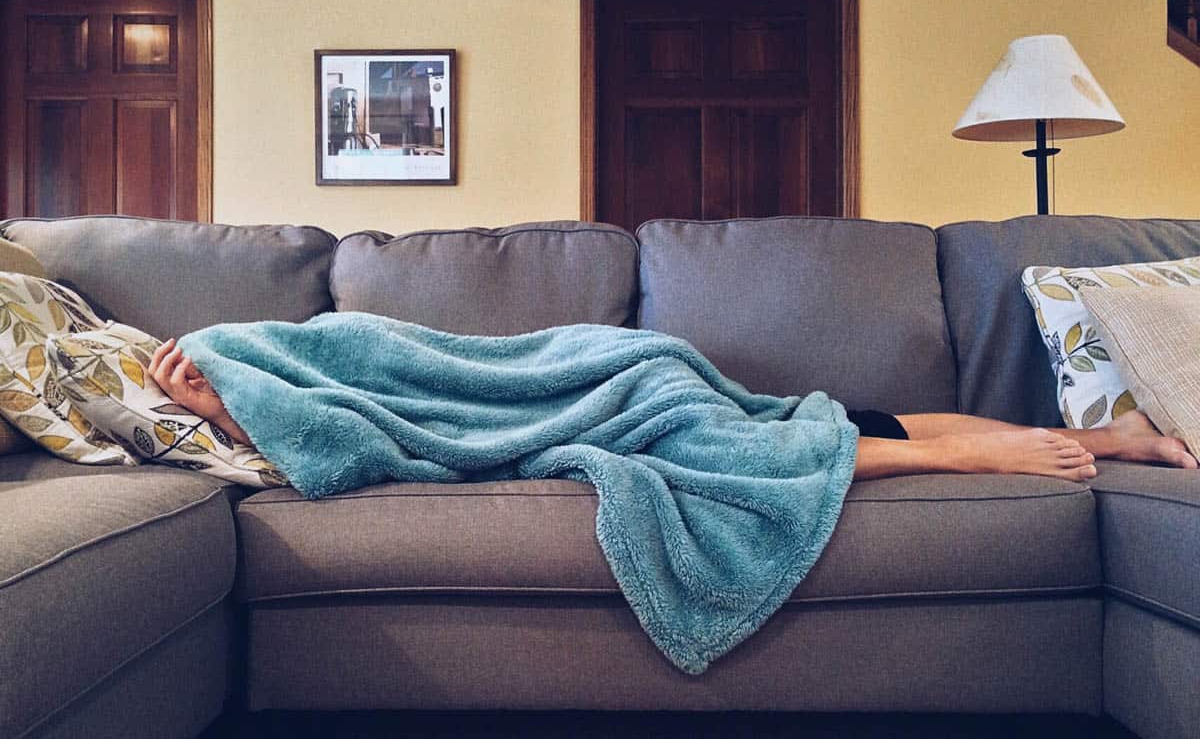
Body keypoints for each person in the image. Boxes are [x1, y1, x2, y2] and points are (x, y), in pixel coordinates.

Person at [147, 337, 1199, 484]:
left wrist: (231, 401)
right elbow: (358, 429)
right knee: (821, 413)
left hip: (627, 374)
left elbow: (349, 426)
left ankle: (987, 457)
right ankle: (1111, 435)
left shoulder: (275, 349)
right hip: (636, 372)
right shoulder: (262, 371)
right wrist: (232, 407)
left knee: (763, 440)